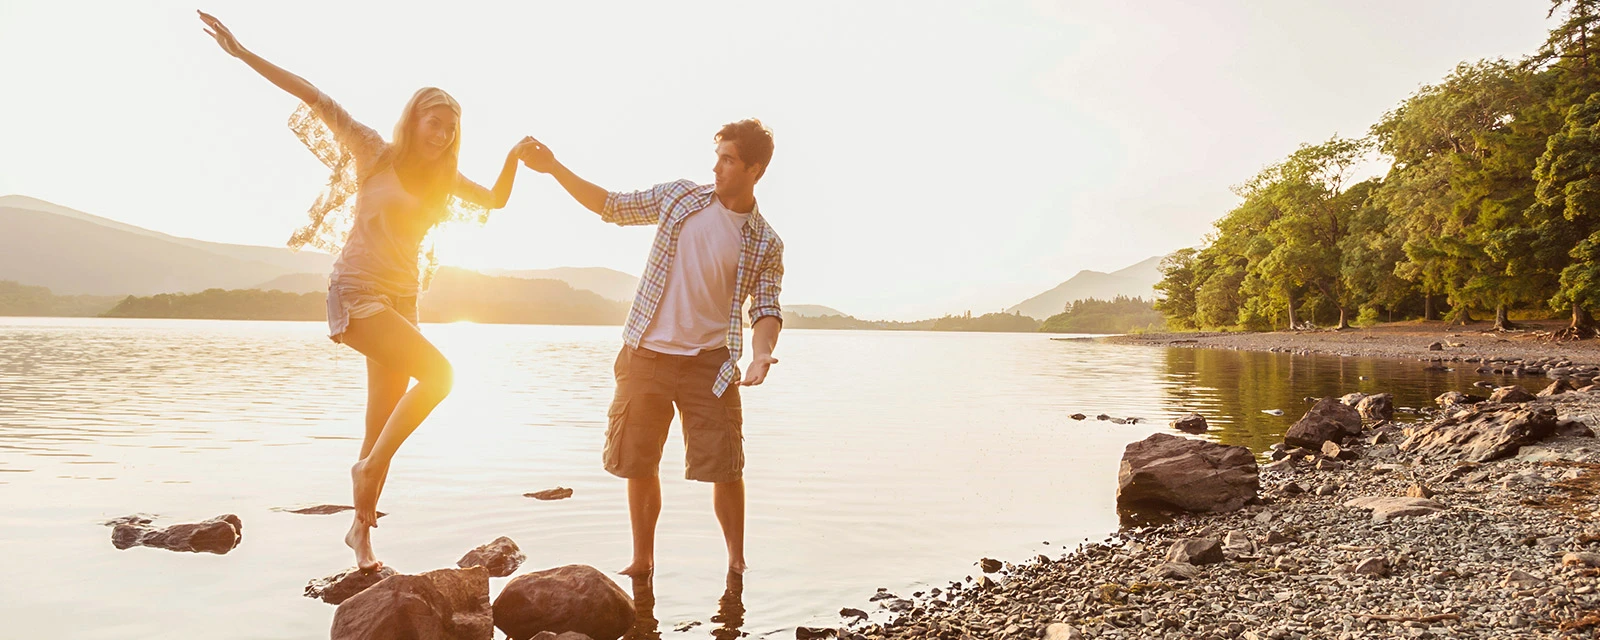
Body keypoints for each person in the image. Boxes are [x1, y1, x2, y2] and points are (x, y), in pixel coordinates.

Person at [199, 11, 534, 571]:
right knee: (442, 376)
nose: (443, 132)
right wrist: (244, 53)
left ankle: (361, 535)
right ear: (413, 120)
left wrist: (513, 159)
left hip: (403, 302)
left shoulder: (443, 179)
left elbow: (497, 200)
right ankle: (368, 473)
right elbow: (313, 95)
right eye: (434, 121)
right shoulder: (374, 151)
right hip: (356, 291)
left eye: (451, 126)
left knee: (380, 424)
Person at [518, 120, 784, 576]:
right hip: (646, 355)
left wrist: (761, 354)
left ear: (754, 169)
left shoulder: (765, 242)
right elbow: (612, 206)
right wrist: (553, 168)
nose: (716, 167)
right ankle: (642, 561)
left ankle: (737, 562)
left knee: (725, 467)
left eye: (728, 159)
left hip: (711, 366)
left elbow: (766, 308)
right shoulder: (681, 198)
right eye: (717, 156)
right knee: (638, 461)